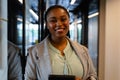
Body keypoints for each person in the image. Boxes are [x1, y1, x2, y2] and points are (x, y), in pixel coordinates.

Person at [25, 5, 97, 80]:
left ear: (69, 21)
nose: (59, 24)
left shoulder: (83, 50)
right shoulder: (34, 52)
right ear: (47, 25)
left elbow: (92, 75)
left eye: (63, 19)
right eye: (53, 20)